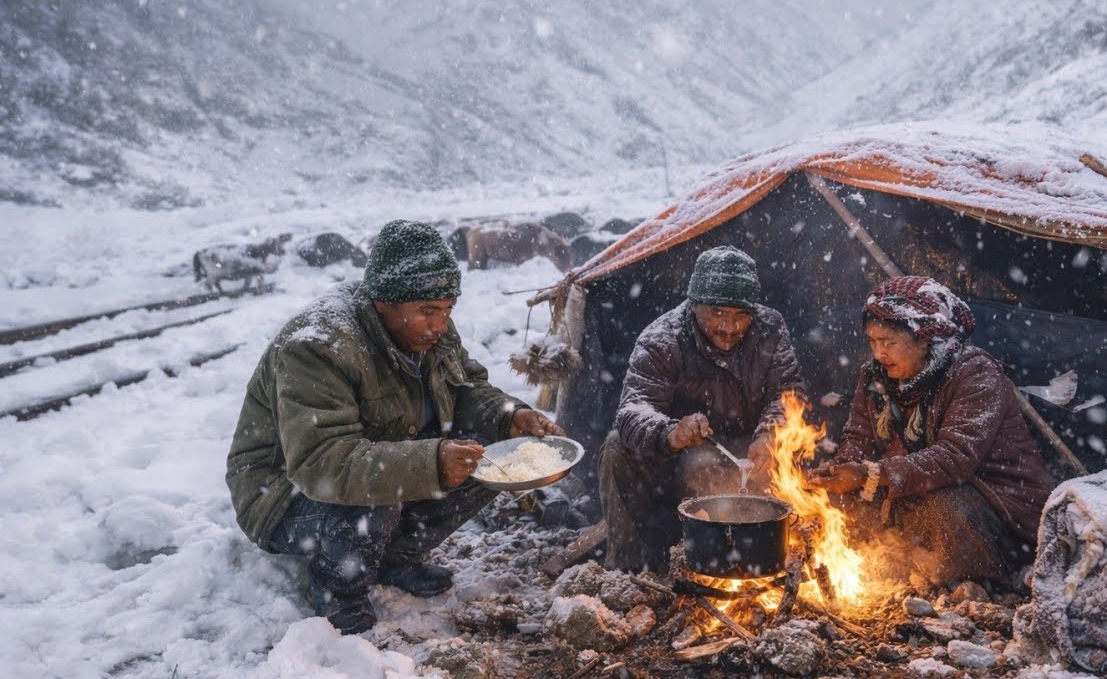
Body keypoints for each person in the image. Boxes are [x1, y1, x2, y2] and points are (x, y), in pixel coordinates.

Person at [226, 220, 563, 634]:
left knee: (491, 454)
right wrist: (430, 461)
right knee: (383, 488)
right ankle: (338, 590)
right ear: (384, 302)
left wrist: (510, 416)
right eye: (428, 312)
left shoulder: (428, 326)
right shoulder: (317, 346)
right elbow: (320, 462)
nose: (440, 325)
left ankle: (394, 558)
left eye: (447, 310)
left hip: (375, 452)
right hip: (282, 493)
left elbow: (467, 387)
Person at [809, 276, 1052, 586]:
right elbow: (860, 437)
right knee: (840, 501)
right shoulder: (874, 375)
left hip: (995, 509)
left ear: (925, 339)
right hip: (913, 486)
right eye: (872, 341)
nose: (879, 353)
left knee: (943, 509)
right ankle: (897, 570)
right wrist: (844, 470)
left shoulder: (975, 374)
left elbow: (954, 458)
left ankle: (984, 579)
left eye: (888, 342)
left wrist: (871, 474)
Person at [598, 245, 805, 572]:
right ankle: (630, 568)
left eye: (740, 315)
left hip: (747, 448)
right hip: (678, 457)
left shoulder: (770, 328)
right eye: (717, 313)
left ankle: (785, 555)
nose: (729, 327)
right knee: (616, 447)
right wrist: (671, 433)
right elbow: (633, 412)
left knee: (802, 446)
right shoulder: (662, 339)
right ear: (694, 306)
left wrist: (770, 435)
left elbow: (787, 392)